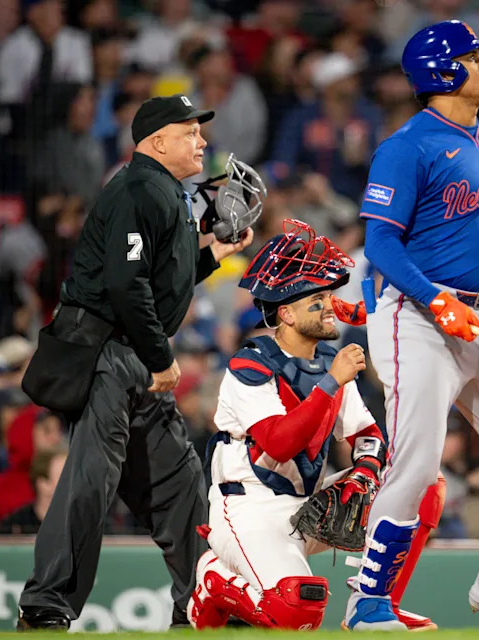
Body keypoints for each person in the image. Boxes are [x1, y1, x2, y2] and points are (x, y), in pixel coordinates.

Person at [343, 21, 479, 630]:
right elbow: (380, 245)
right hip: (416, 317)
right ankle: (368, 602)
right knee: (415, 462)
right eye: (474, 56)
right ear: (442, 72)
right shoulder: (406, 146)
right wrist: (435, 297)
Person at [15, 94, 257, 630]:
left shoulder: (163, 191)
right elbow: (125, 286)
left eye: (201, 132)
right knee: (90, 482)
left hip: (132, 356)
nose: (202, 141)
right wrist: (160, 356)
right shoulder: (137, 187)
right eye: (190, 132)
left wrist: (209, 257)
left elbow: (157, 282)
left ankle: (200, 604)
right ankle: (44, 606)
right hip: (112, 355)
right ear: (156, 141)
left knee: (179, 485)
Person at [187, 221, 441, 631]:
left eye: (328, 295)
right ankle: (215, 580)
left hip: (306, 507)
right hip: (249, 507)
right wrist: (331, 383)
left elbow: (368, 436)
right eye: (317, 299)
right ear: (285, 313)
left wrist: (364, 470)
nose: (330, 305)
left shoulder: (327, 362)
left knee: (423, 481)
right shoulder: (249, 364)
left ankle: (377, 605)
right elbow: (279, 442)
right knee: (299, 609)